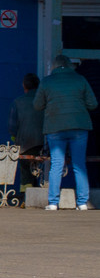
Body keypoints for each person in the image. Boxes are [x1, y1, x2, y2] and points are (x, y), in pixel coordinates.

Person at [34, 54, 99, 211]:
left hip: (55, 127)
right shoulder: (80, 80)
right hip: (79, 127)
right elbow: (93, 104)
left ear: (54, 66)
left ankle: (53, 203)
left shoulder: (47, 82)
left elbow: (37, 105)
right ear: (70, 65)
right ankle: (83, 202)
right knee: (79, 164)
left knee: (56, 164)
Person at [8, 73, 44, 185]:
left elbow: (12, 127)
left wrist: (15, 138)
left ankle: (26, 195)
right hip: (44, 144)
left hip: (25, 145)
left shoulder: (18, 102)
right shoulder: (45, 101)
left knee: (25, 170)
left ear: (24, 86)